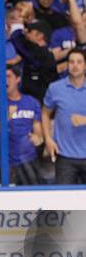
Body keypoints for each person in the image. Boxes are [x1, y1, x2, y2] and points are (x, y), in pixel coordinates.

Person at [0, 67, 43, 185]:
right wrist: (6, 118)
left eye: (9, 76)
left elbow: (38, 129)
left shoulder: (31, 102)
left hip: (28, 160)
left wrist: (38, 138)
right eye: (3, 77)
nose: (5, 80)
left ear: (18, 79)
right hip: (4, 162)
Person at [42, 49, 86, 184]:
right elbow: (45, 113)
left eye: (79, 62)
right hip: (64, 156)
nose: (75, 65)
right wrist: (48, 139)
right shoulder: (55, 88)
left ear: (85, 65)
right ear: (67, 65)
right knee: (65, 203)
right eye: (71, 62)